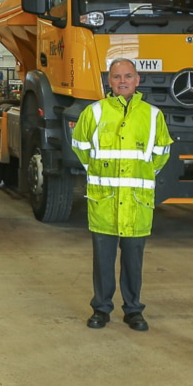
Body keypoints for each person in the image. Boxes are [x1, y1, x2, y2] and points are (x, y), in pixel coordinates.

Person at [71, 58, 173, 332]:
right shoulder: (94, 112)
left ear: (138, 80)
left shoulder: (152, 115)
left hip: (137, 202)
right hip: (104, 200)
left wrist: (143, 173)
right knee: (102, 259)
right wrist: (97, 170)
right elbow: (80, 146)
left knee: (133, 260)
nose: (123, 81)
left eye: (128, 76)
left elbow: (162, 152)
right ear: (109, 81)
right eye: (117, 77)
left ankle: (133, 310)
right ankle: (101, 309)